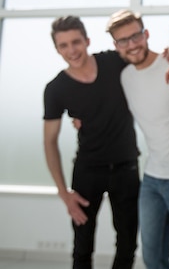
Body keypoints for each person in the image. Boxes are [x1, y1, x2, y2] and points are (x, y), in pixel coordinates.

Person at [106, 10, 169, 269]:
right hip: (152, 179)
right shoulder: (124, 77)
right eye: (123, 41)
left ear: (146, 34)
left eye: (135, 36)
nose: (132, 45)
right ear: (116, 46)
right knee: (152, 258)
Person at [43, 16, 139, 269]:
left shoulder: (113, 61)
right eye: (63, 45)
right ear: (57, 50)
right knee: (82, 246)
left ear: (87, 41)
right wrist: (64, 193)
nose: (71, 50)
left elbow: (142, 58)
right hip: (87, 172)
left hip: (126, 168)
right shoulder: (55, 89)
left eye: (76, 42)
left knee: (128, 242)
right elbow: (49, 142)